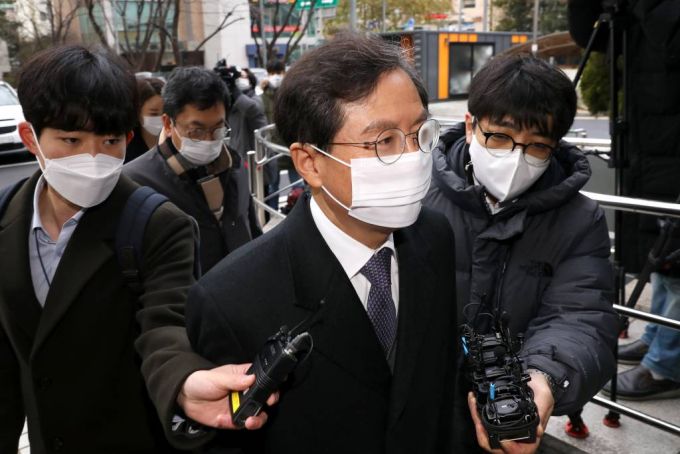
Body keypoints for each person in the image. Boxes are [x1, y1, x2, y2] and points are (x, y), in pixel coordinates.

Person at [186, 33, 458, 453]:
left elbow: (439, 388)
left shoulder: (435, 237)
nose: (412, 157)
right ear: (310, 163)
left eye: (419, 133)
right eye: (383, 141)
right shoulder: (229, 299)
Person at [0, 45, 272, 454]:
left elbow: (165, 326)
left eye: (109, 140)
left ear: (128, 138)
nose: (92, 158)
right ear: (30, 137)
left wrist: (184, 382)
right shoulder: (6, 216)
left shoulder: (157, 223)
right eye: (71, 140)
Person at [423, 54, 619, 453]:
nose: (515, 157)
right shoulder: (416, 192)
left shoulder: (580, 220)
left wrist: (542, 378)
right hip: (416, 406)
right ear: (470, 125)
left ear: (555, 146)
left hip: (505, 414)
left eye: (537, 146)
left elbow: (581, 315)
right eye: (499, 136)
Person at [124, 66, 261, 273]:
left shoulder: (235, 165)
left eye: (218, 129)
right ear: (168, 124)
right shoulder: (136, 181)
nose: (209, 140)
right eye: (196, 131)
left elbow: (252, 231)